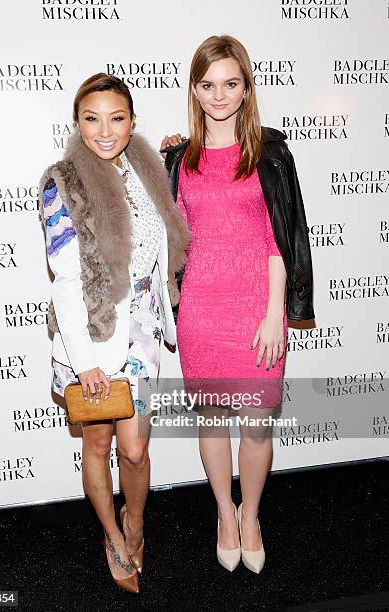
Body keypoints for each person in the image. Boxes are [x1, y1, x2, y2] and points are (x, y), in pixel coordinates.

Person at [160, 35, 315, 574]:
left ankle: (252, 514)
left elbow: (282, 237)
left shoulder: (270, 152)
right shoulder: (179, 157)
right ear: (195, 90)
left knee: (255, 424)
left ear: (247, 86)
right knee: (213, 421)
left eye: (230, 83)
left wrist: (276, 312)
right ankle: (225, 513)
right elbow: (163, 231)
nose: (219, 95)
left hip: (256, 309)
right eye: (208, 85)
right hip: (201, 308)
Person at [39, 73, 190, 593]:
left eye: (117, 118)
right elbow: (65, 283)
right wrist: (85, 362)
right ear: (77, 123)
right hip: (93, 339)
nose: (105, 130)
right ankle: (111, 536)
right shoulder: (62, 182)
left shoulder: (150, 169)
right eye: (91, 118)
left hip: (144, 334)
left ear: (132, 121)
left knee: (135, 451)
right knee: (99, 445)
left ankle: (137, 522)